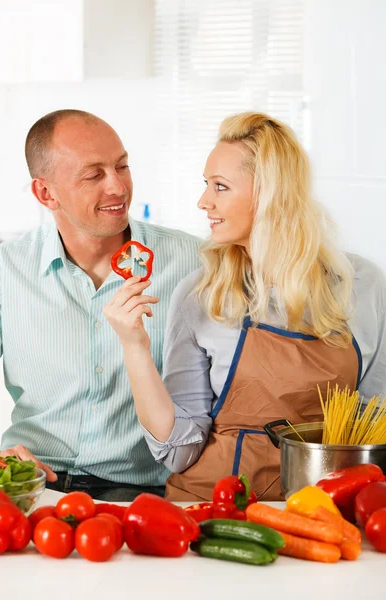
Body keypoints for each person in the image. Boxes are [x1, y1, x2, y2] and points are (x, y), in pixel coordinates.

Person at [104, 111, 386, 502]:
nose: (203, 202)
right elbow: (178, 451)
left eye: (220, 187)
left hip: (322, 509)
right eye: (206, 185)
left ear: (271, 195)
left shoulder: (362, 285)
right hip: (214, 505)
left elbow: (373, 428)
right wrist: (133, 346)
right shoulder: (201, 293)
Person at [0, 109, 201, 501]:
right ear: (46, 193)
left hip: (148, 496)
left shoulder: (193, 262)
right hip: (35, 489)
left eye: (122, 166)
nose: (118, 187)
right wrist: (0, 462)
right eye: (94, 175)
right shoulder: (1, 271)